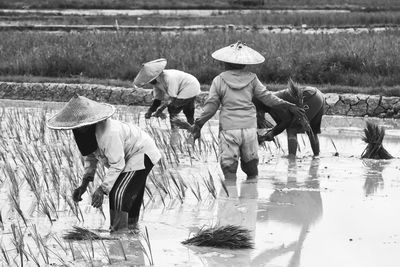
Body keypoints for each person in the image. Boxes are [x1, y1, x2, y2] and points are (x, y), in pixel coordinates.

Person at [190, 42, 304, 181]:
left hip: (229, 129)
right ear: (245, 64)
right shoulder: (252, 79)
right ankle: (250, 197)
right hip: (250, 129)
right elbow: (268, 98)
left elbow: (211, 107)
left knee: (229, 170)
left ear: (225, 63)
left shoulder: (219, 80)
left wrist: (199, 124)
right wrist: (288, 105)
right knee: (251, 170)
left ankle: (230, 199)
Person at [46, 95, 161, 231]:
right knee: (128, 195)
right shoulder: (82, 133)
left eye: (81, 126)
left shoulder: (110, 133)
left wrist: (102, 189)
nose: (77, 129)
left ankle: (119, 233)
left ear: (90, 123)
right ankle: (131, 231)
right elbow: (90, 155)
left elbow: (117, 164)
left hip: (141, 152)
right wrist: (83, 185)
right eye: (76, 127)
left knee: (118, 193)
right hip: (130, 156)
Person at [255, 79, 325, 157]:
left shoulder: (272, 105)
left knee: (292, 128)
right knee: (312, 131)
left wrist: (272, 133)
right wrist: (271, 133)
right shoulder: (270, 100)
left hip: (308, 97)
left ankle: (292, 159)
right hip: (317, 95)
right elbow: (282, 123)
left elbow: (286, 122)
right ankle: (316, 157)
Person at [133, 58, 201, 128]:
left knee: (173, 108)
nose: (149, 82)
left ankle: (176, 130)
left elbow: (172, 98)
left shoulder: (169, 78)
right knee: (187, 111)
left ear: (155, 76)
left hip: (190, 86)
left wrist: (159, 111)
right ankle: (192, 128)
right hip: (186, 88)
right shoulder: (156, 83)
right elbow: (157, 100)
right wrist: (150, 111)